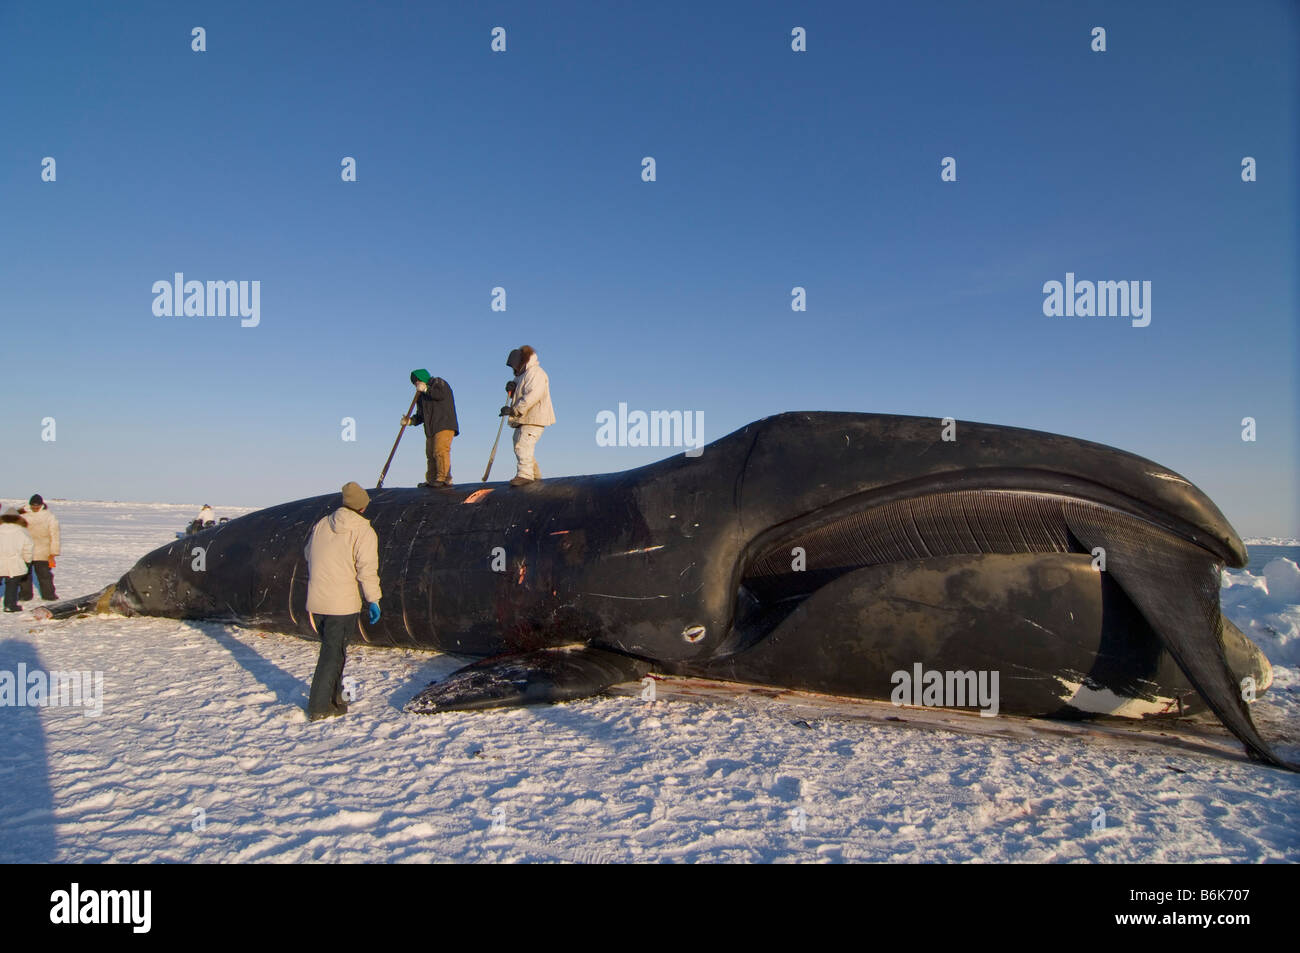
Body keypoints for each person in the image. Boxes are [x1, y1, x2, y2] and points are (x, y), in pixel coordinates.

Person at [302, 482, 382, 721]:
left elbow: (308, 553)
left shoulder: (322, 524)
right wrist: (374, 600)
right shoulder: (363, 530)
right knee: (333, 654)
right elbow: (366, 570)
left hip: (316, 602)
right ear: (362, 506)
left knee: (333, 651)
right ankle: (319, 706)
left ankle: (335, 699)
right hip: (342, 604)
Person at [500, 345, 555, 487]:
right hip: (524, 418)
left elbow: (533, 395)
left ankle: (525, 474)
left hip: (534, 417)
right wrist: (512, 388)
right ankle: (535, 476)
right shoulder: (521, 376)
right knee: (520, 445)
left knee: (523, 445)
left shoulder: (535, 373)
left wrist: (515, 410)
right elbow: (519, 394)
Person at [401, 369, 459, 488]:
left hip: (444, 424)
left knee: (440, 451)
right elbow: (421, 415)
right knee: (430, 453)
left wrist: (426, 389)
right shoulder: (422, 396)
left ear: (422, 379)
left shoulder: (438, 383)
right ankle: (432, 479)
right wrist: (410, 421)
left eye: (417, 382)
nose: (416, 385)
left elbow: (440, 395)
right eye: (415, 383)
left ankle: (444, 478)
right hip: (431, 428)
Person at [17, 494, 59, 601]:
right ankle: (25, 595)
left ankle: (49, 595)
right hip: (25, 550)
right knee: (24, 574)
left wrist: (53, 552)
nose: (35, 508)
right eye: (33, 506)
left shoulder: (49, 516)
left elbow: (54, 534)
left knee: (45, 575)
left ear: (41, 505)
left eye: (37, 506)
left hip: (43, 551)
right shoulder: (23, 516)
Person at [0, 508, 34, 613]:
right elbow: (28, 548)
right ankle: (10, 605)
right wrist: (27, 561)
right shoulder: (22, 531)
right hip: (14, 561)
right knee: (12, 583)